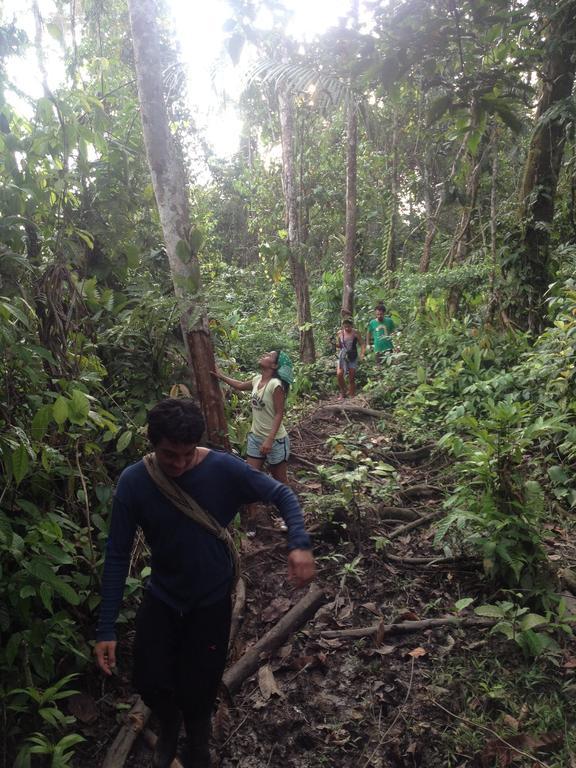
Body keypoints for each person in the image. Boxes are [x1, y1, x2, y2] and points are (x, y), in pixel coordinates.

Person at [94, 398, 315, 768]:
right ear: (152, 442)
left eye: (185, 455)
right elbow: (117, 554)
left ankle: (197, 742)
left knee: (199, 684)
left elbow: (282, 493)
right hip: (163, 595)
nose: (178, 465)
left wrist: (300, 544)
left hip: (210, 599)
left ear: (197, 444)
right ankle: (169, 724)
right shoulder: (135, 482)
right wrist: (106, 627)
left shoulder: (223, 469)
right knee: (148, 680)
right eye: (168, 455)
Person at [212, 350, 293, 486]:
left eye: (269, 355)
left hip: (275, 440)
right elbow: (240, 385)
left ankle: (287, 506)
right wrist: (221, 376)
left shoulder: (275, 384)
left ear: (274, 366)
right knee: (249, 478)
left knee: (280, 481)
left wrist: (269, 440)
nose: (264, 354)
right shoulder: (257, 379)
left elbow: (279, 413)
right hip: (255, 437)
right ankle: (253, 508)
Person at [336, 317, 365, 398]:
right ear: (343, 326)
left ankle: (352, 394)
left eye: (349, 326)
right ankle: (343, 391)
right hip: (343, 355)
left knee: (351, 376)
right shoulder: (340, 333)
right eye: (345, 327)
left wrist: (362, 353)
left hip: (352, 355)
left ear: (351, 326)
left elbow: (362, 344)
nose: (347, 328)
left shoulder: (355, 333)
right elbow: (339, 345)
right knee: (339, 374)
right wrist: (332, 343)